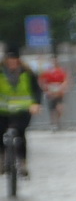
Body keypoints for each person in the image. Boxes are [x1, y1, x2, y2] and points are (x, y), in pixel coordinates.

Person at [0, 48, 41, 179]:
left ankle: (22, 163)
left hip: (22, 110)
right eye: (9, 59)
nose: (12, 62)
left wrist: (36, 104)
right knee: (0, 132)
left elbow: (37, 90)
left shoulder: (28, 73)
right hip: (3, 110)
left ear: (18, 60)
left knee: (20, 134)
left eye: (14, 59)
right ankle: (1, 159)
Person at [40, 60, 67, 131]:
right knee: (52, 109)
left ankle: (58, 121)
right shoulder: (47, 72)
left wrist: (62, 88)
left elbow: (65, 80)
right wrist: (46, 89)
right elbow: (42, 81)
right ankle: (53, 123)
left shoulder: (60, 71)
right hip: (50, 92)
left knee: (60, 108)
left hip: (58, 92)